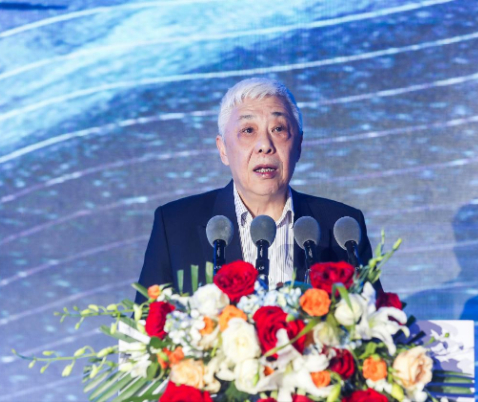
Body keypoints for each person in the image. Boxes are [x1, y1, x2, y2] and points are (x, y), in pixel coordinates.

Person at [136, 78, 378, 304]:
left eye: (279, 129)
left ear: (299, 145)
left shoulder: (342, 226)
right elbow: (144, 326)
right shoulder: (175, 225)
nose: (265, 145)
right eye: (248, 131)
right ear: (223, 149)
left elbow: (375, 322)